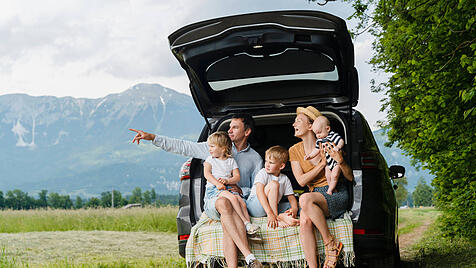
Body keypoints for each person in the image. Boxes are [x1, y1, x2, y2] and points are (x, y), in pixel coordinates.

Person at [129, 113, 264, 268]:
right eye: (229, 127)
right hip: (215, 200)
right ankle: (249, 256)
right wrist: (153, 137)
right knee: (223, 203)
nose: (229, 130)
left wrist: (241, 190)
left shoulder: (255, 159)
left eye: (235, 127)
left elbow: (256, 189)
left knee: (228, 213)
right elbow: (184, 147)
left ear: (247, 132)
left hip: (236, 199)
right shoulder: (214, 149)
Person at [289, 106, 354, 268]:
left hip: (335, 192)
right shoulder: (294, 150)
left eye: (298, 121)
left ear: (311, 126)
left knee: (304, 199)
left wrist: (340, 161)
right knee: (304, 220)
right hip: (314, 195)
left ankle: (330, 244)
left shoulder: (331, 143)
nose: (293, 124)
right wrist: (323, 164)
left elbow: (350, 177)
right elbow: (301, 181)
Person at [203, 131, 260, 238]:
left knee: (242, 203)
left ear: (223, 148)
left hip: (228, 187)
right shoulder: (210, 160)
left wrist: (227, 181)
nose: (209, 149)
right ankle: (246, 223)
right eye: (209, 146)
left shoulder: (231, 161)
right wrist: (217, 183)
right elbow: (207, 174)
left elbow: (237, 177)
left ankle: (250, 229)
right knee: (233, 199)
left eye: (212, 146)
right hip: (215, 190)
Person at [246, 145, 299, 228]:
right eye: (266, 161)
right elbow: (259, 192)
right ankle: (277, 218)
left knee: (296, 206)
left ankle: (286, 217)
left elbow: (291, 197)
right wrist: (270, 214)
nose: (267, 165)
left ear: (281, 166)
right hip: (256, 206)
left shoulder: (284, 179)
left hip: (271, 206)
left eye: (271, 163)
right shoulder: (263, 173)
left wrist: (294, 209)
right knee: (274, 184)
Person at [304, 115, 345, 195]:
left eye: (319, 132)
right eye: (315, 134)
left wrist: (338, 147)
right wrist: (310, 156)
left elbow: (341, 141)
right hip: (328, 162)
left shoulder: (333, 136)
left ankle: (330, 189)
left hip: (336, 161)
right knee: (327, 175)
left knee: (334, 175)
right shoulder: (319, 140)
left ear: (328, 129)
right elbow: (316, 150)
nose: (317, 136)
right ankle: (332, 188)